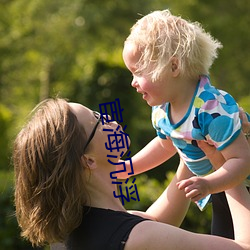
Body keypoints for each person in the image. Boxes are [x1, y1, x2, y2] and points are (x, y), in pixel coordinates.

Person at [13, 98, 250, 250]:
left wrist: (189, 138)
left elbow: (157, 221)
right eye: (98, 120)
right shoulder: (137, 238)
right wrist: (226, 165)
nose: (110, 119)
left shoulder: (77, 232)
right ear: (88, 160)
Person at [121, 9, 250, 238]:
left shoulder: (210, 109)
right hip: (221, 188)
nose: (133, 82)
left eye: (138, 72)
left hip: (239, 185)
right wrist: (129, 168)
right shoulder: (162, 110)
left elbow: (242, 160)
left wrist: (209, 184)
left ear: (173, 67)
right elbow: (165, 145)